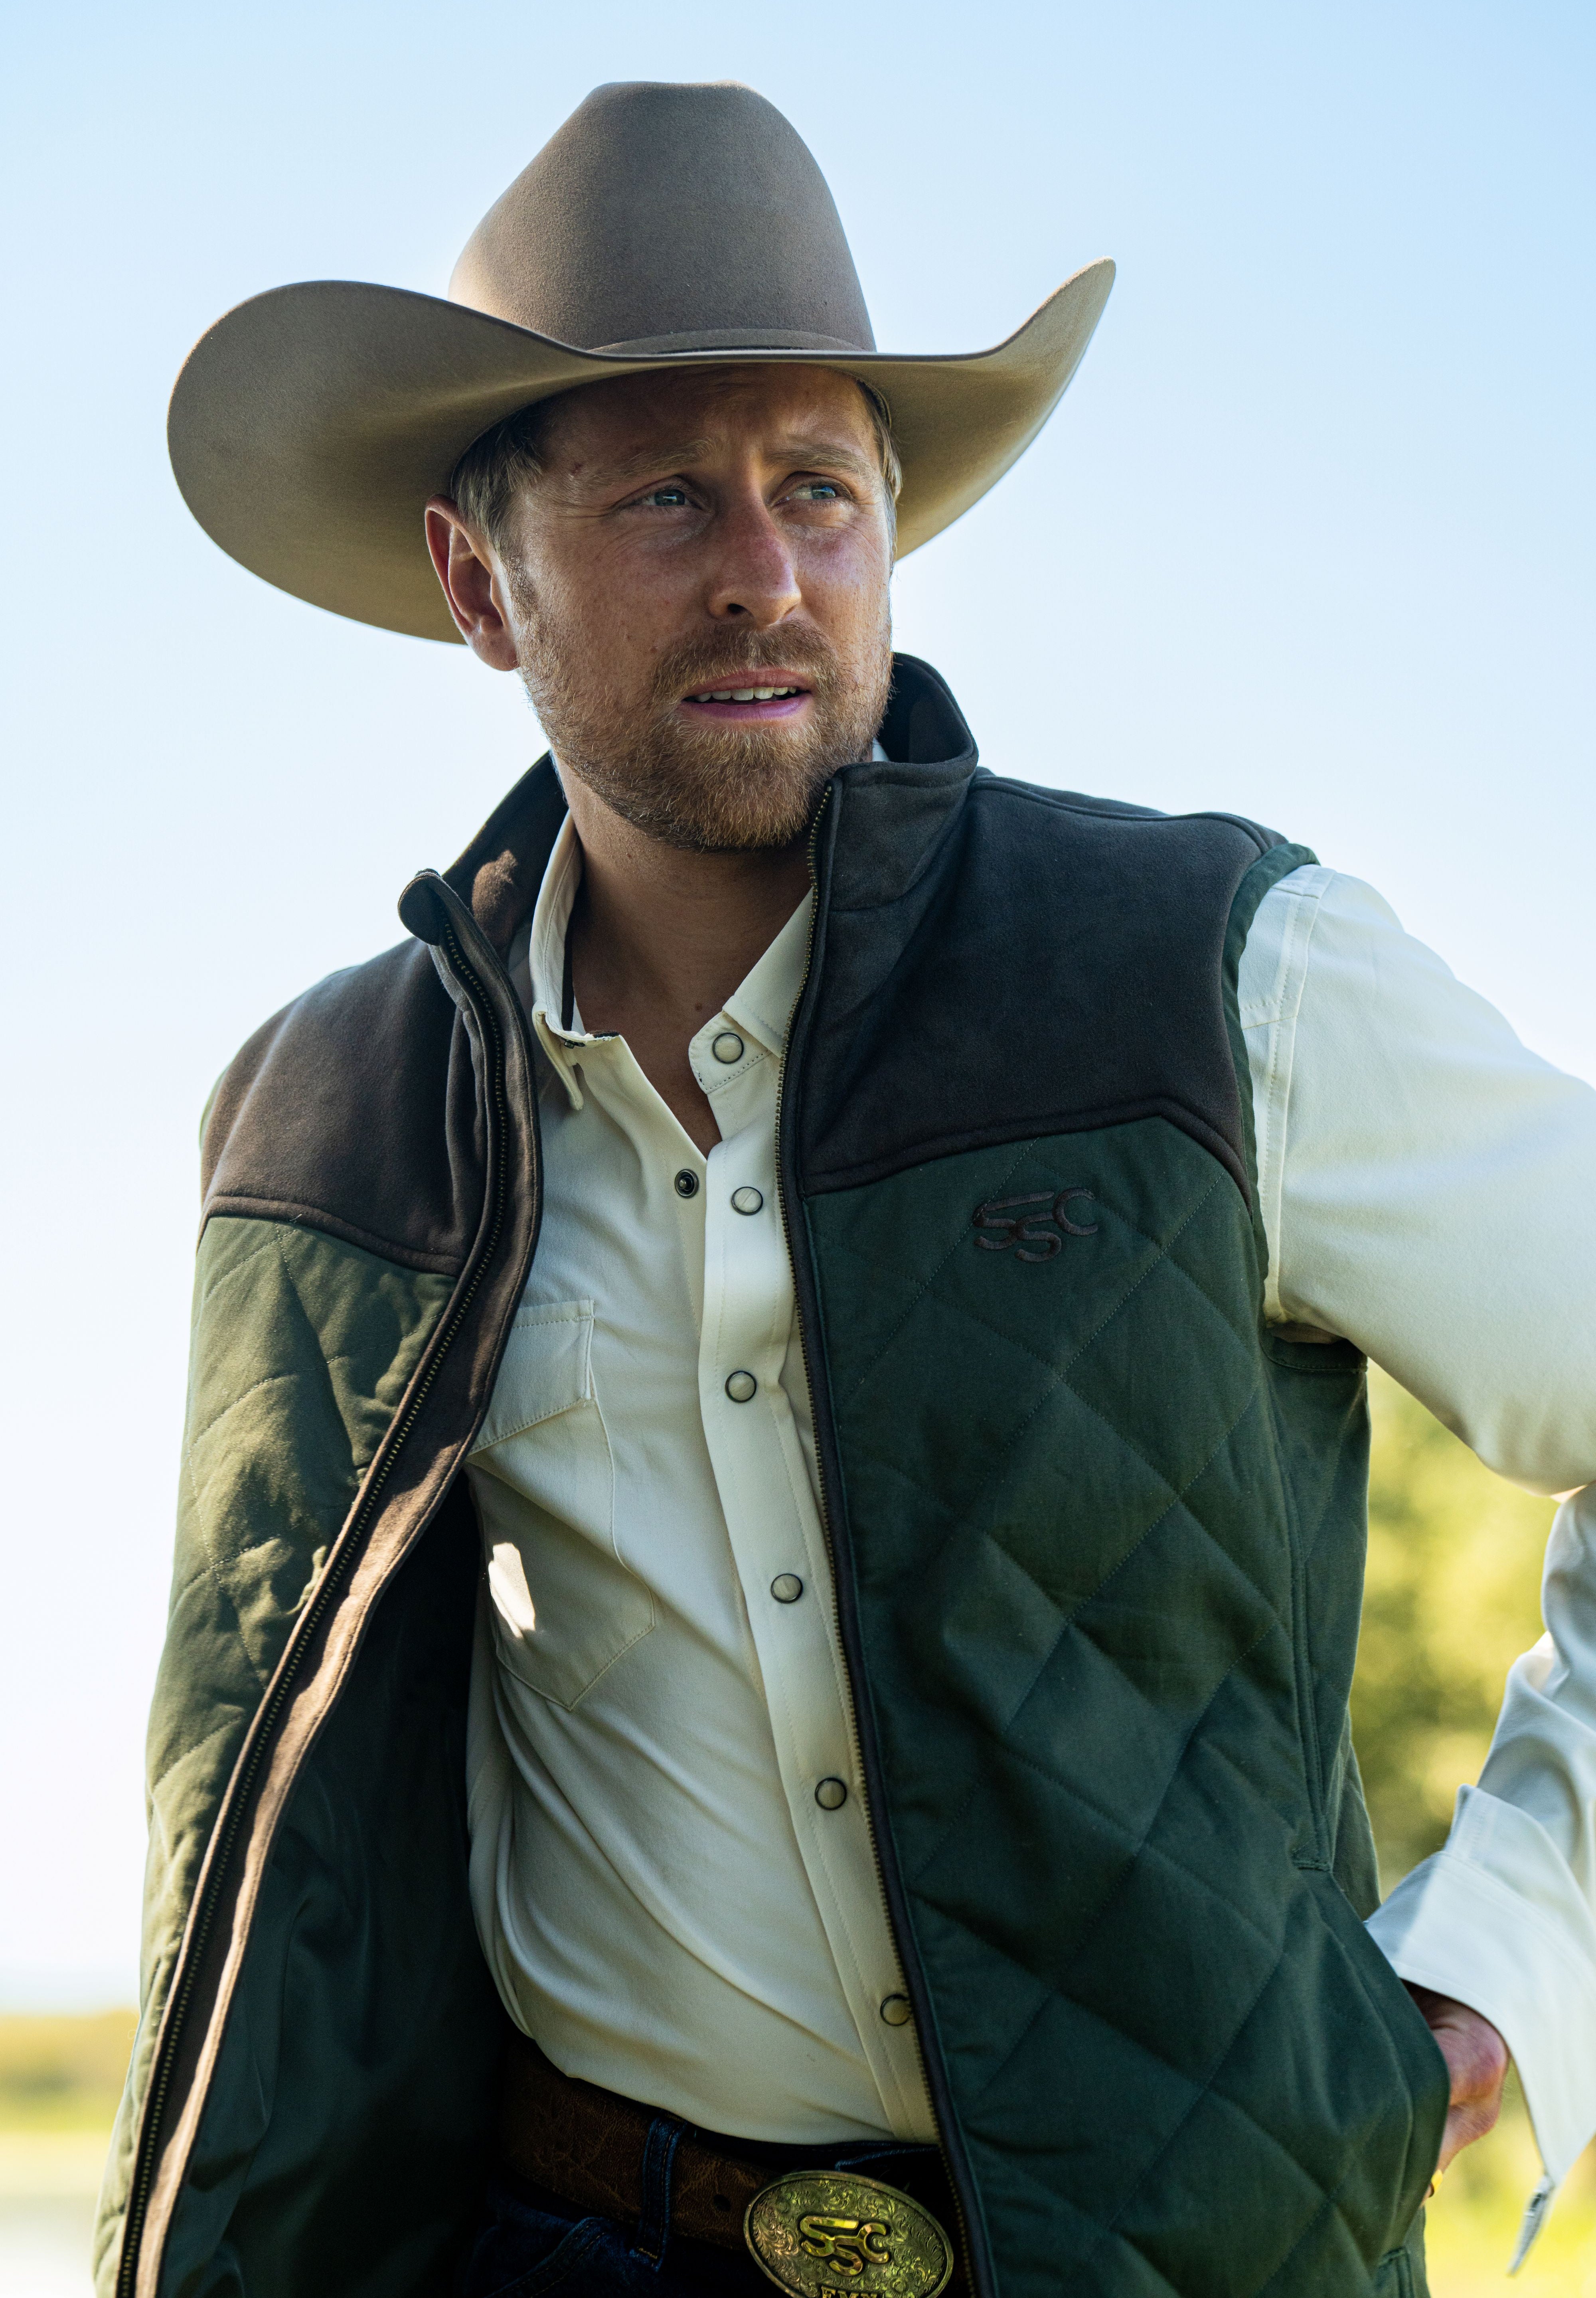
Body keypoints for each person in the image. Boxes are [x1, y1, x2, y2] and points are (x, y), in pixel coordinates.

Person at [96, 79, 1596, 2298]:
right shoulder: (328, 1113)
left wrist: (1510, 1963)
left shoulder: (1213, 975)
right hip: (566, 2249)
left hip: (1177, 2259)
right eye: (666, 498)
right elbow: (254, 1783)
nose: (765, 572)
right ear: (472, 583)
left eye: (822, 489)